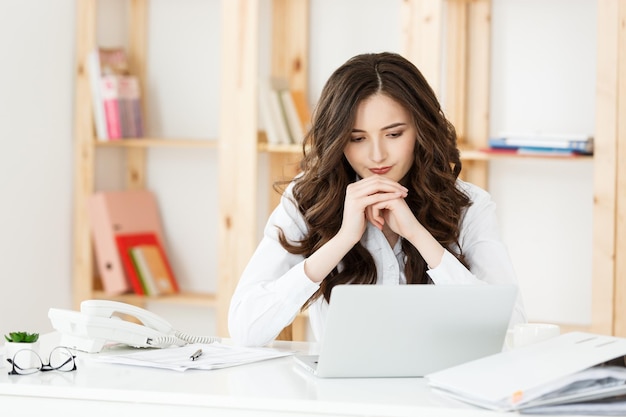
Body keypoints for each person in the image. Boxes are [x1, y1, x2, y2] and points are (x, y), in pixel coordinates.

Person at [229, 52, 526, 347]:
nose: (377, 156)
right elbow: (245, 328)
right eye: (357, 139)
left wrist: (418, 235)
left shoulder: (470, 205)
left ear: (421, 129)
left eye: (394, 134)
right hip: (342, 393)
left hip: (440, 389)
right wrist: (342, 240)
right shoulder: (307, 200)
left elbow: (512, 329)